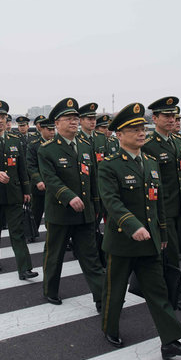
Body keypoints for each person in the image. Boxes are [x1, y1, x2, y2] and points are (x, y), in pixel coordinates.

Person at [98, 102, 181, 359]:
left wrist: (163, 235)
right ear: (119, 135)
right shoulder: (110, 165)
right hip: (122, 242)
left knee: (158, 291)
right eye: (133, 129)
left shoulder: (151, 162)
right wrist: (133, 226)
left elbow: (159, 205)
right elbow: (112, 202)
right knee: (115, 290)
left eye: (142, 128)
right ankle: (110, 328)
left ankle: (170, 341)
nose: (141, 133)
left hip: (150, 241)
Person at [37, 97, 104, 310]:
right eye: (68, 118)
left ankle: (102, 298)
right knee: (54, 255)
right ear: (57, 124)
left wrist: (96, 206)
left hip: (84, 213)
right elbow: (50, 179)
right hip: (61, 212)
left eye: (76, 118)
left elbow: (92, 178)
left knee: (91, 257)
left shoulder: (85, 146)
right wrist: (68, 196)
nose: (74, 122)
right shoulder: (47, 150)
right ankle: (50, 289)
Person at [0, 100, 38, 279]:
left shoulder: (15, 141)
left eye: (3, 117)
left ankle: (24, 268)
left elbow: (22, 168)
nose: (0, 120)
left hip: (13, 193)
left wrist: (27, 191)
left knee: (17, 231)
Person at [143, 96, 181, 312]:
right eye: (167, 116)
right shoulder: (149, 145)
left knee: (174, 249)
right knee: (171, 253)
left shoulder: (179, 141)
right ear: (155, 118)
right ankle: (175, 293)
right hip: (162, 209)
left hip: (179, 207)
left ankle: (167, 287)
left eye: (174, 115)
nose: (172, 119)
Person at [26, 117, 56, 231]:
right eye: (49, 130)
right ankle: (32, 232)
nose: (52, 132)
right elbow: (30, 165)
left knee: (54, 214)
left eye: (53, 129)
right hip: (40, 185)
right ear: (42, 129)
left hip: (54, 185)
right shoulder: (34, 145)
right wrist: (38, 180)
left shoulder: (57, 143)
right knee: (36, 211)